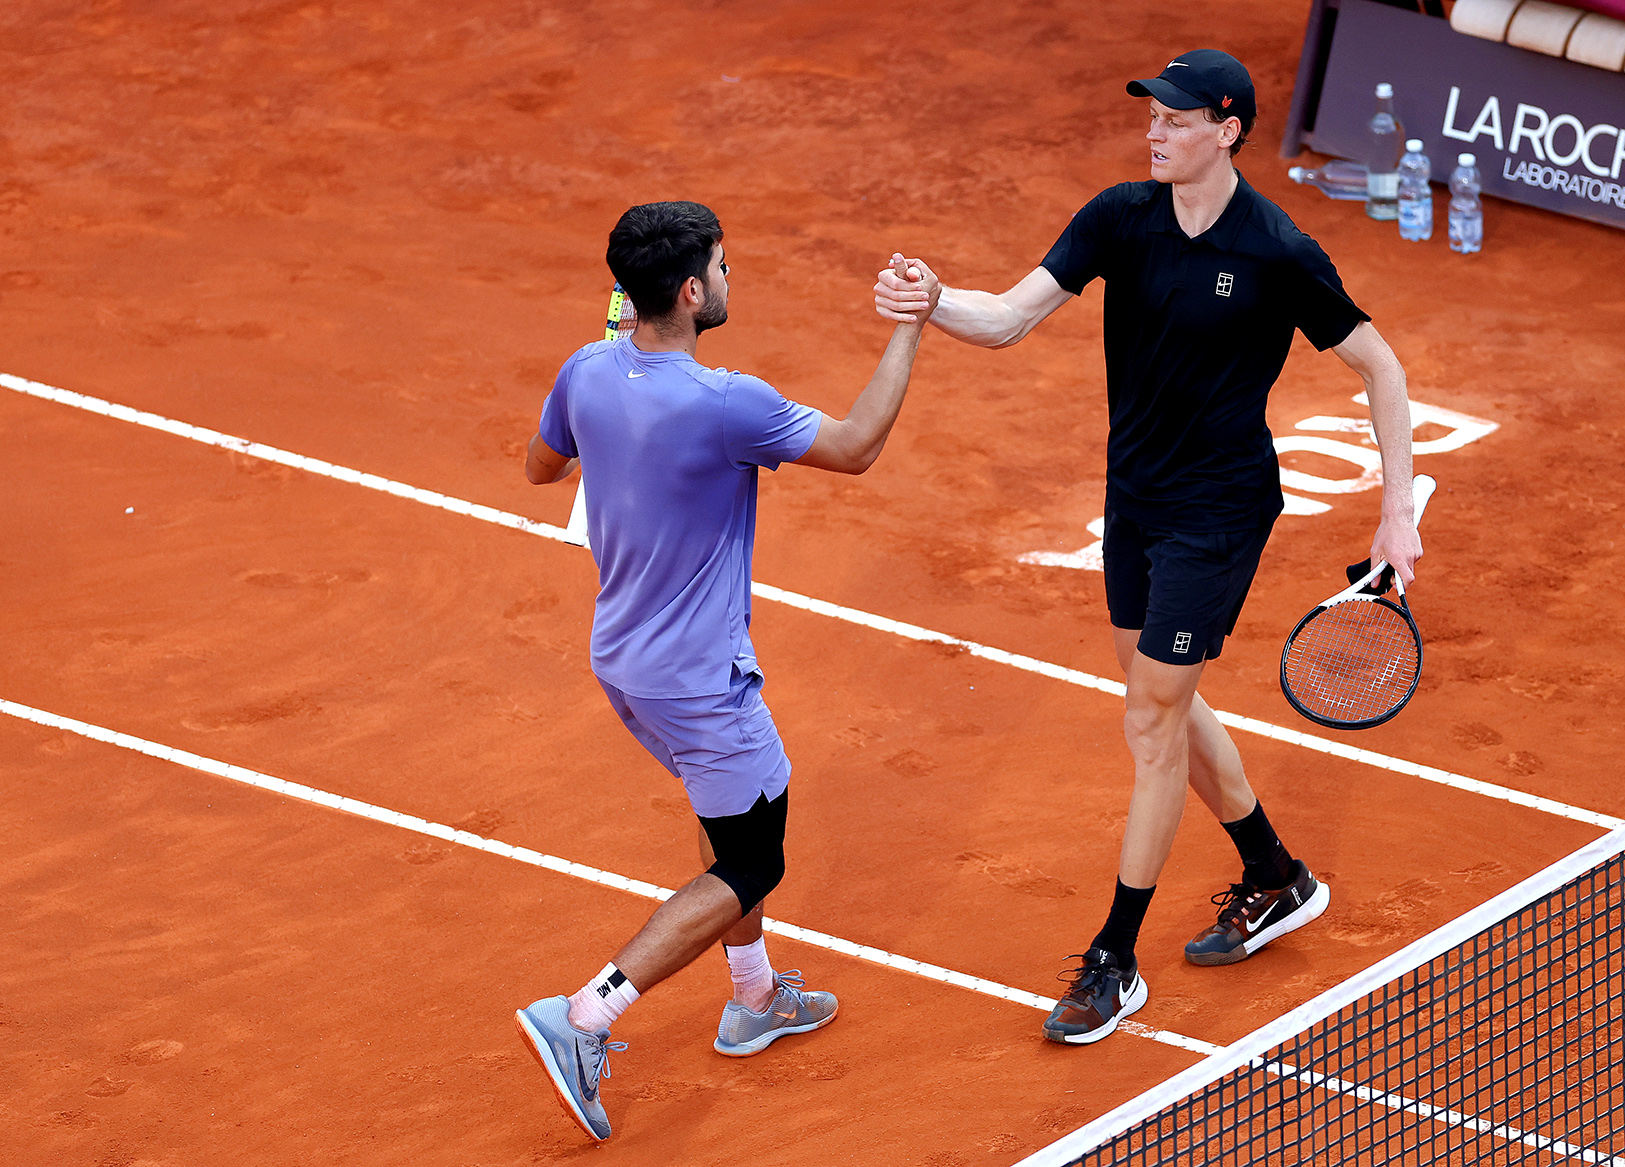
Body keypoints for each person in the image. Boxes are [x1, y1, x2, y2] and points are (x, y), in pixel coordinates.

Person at [874, 49, 1422, 1045]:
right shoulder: (1118, 219)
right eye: (1151, 117)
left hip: (1216, 514)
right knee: (1154, 694)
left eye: (1173, 119)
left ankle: (1113, 959)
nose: (1152, 132)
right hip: (1132, 501)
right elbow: (1004, 319)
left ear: (1226, 130)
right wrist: (934, 299)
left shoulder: (1276, 251)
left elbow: (1379, 367)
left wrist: (1396, 513)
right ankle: (1273, 874)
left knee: (1150, 722)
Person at [516, 200, 938, 1139]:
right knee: (754, 859)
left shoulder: (586, 368)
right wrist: (910, 329)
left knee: (728, 820)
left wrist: (613, 411)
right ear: (689, 290)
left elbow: (544, 470)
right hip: (702, 678)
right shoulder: (726, 401)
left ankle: (754, 998)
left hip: (622, 662)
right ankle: (585, 1013)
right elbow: (858, 445)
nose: (731, 277)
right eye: (723, 265)